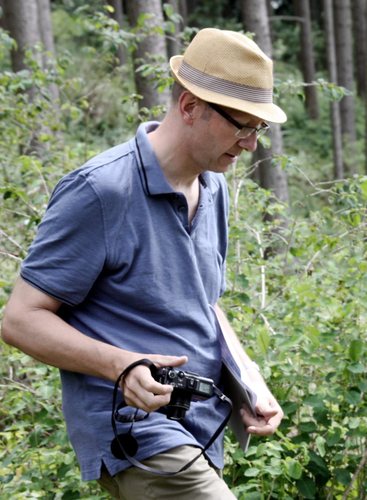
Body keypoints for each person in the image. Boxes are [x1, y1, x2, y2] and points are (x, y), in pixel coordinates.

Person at [1, 28, 287, 499]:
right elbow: (20, 319)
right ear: (190, 106)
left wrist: (246, 381)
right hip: (137, 433)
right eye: (241, 124)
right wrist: (122, 366)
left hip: (201, 427)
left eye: (258, 128)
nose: (251, 144)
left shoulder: (213, 189)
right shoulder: (100, 191)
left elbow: (205, 304)